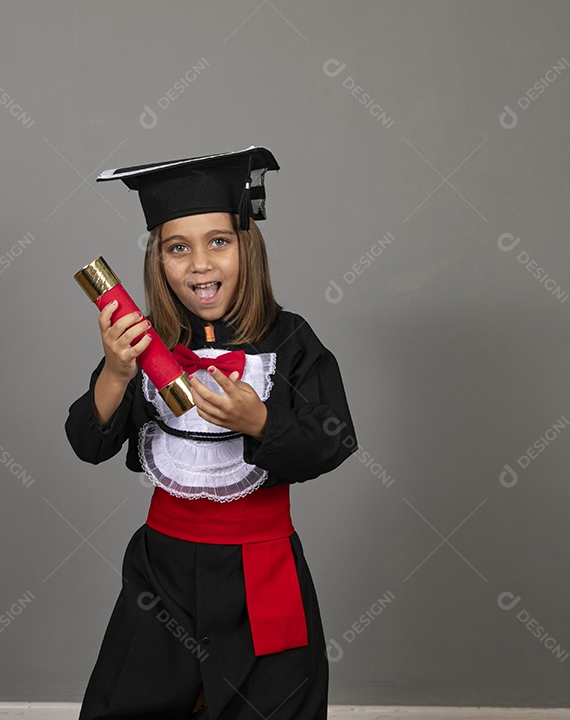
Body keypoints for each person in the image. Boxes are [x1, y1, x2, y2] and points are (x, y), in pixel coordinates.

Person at [65, 146, 357, 720]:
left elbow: (334, 438)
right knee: (131, 702)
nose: (199, 264)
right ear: (158, 261)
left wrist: (260, 422)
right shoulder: (143, 346)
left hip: (260, 572)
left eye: (217, 242)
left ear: (246, 246)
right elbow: (88, 443)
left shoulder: (291, 342)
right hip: (162, 571)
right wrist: (117, 372)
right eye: (178, 248)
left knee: (269, 707)